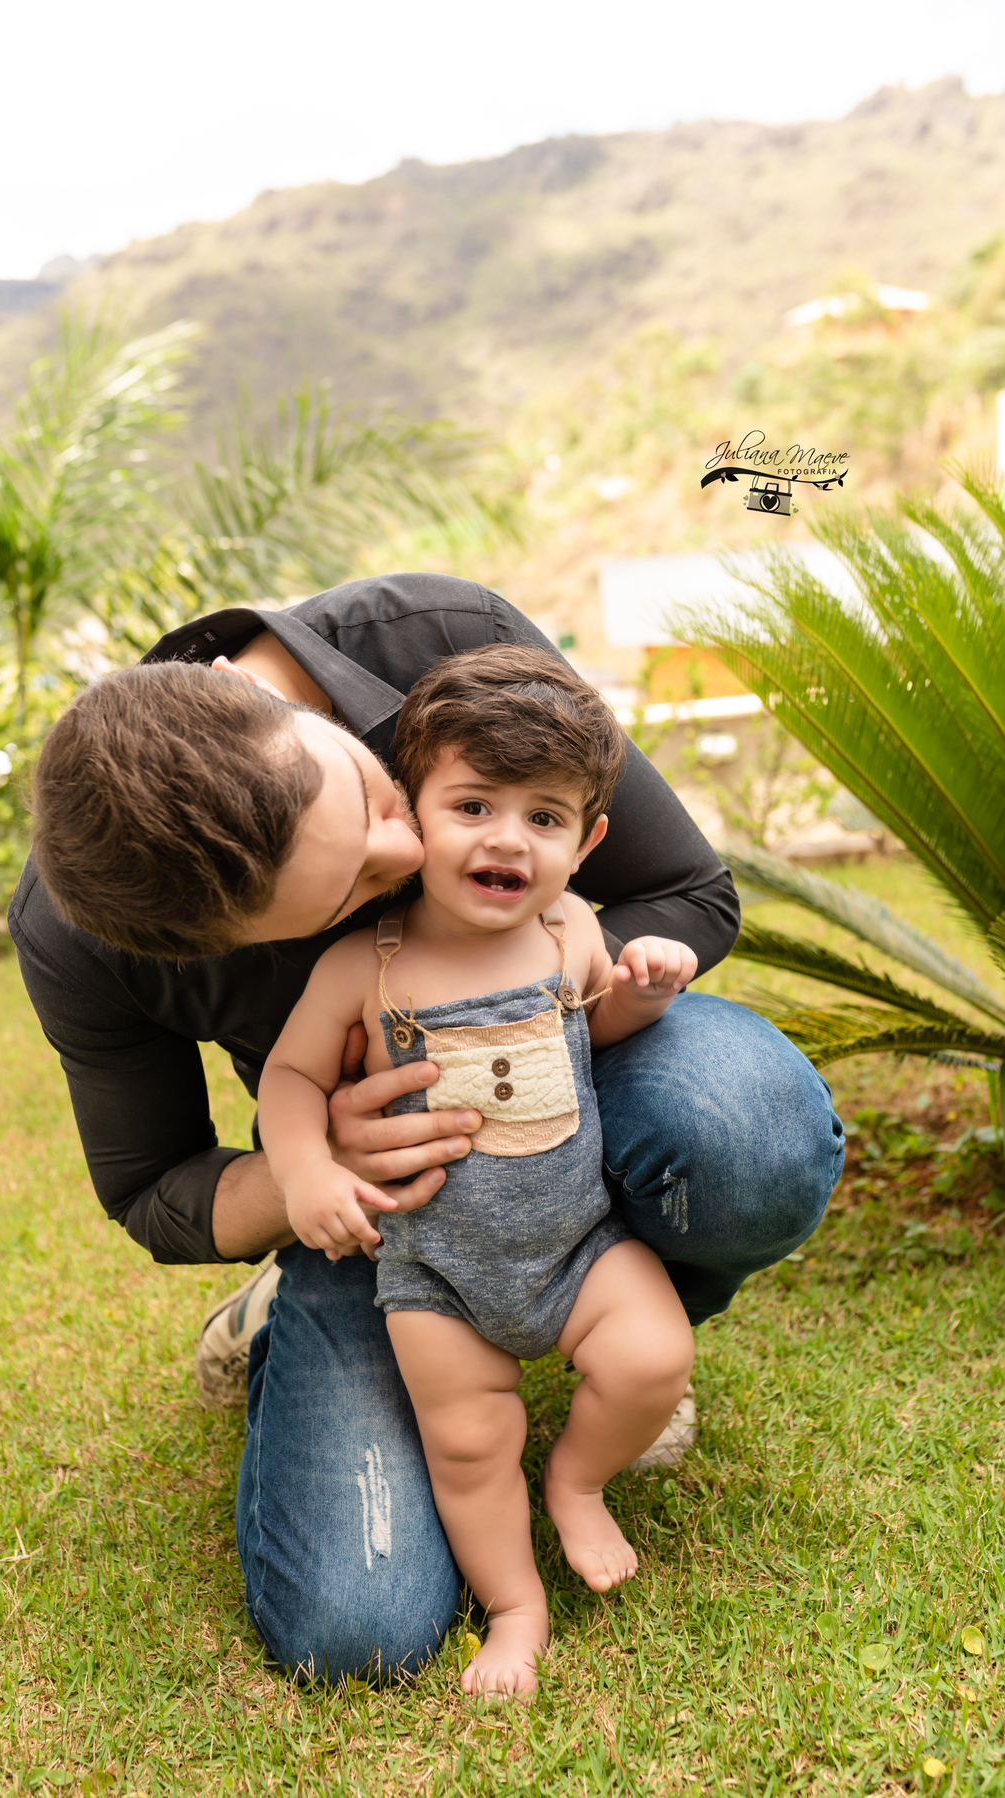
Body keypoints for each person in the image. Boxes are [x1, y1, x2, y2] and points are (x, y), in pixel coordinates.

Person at [13, 572, 844, 1686]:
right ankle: (283, 1315)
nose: (408, 867)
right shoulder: (87, 929)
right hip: (385, 1226)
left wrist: (584, 957)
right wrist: (312, 1165)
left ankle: (611, 1345)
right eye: (346, 892)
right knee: (357, 1629)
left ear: (255, 700)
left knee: (745, 1127)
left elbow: (693, 890)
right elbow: (150, 1187)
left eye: (372, 803)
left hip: (569, 1104)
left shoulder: (446, 645)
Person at [259, 646, 698, 1694]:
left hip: (577, 1246)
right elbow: (288, 1075)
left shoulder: (568, 929)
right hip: (437, 1279)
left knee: (651, 1356)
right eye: (474, 806)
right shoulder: (365, 964)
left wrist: (645, 986)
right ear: (412, 810)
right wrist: (304, 1167)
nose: (508, 837)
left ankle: (579, 1481)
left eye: (544, 818)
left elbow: (597, 1022)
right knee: (467, 1443)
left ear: (587, 842)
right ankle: (515, 1607)